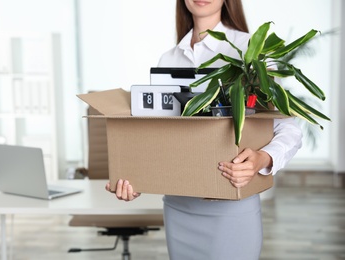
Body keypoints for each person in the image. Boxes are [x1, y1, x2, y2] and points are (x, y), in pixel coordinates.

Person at [106, 0, 303, 259]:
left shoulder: (250, 50)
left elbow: (289, 129)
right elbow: (163, 137)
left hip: (231, 209)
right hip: (178, 209)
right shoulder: (169, 58)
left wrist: (261, 160)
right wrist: (139, 177)